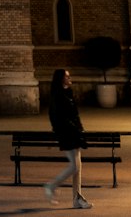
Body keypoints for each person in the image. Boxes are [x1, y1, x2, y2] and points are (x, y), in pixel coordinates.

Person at [43, 67, 92, 210]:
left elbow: (75, 115)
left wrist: (80, 129)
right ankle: (51, 185)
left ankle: (77, 200)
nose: (70, 79)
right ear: (61, 79)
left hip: (74, 133)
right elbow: (57, 117)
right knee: (75, 166)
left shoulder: (68, 93)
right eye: (67, 76)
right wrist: (69, 130)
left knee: (78, 168)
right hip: (66, 133)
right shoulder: (57, 95)